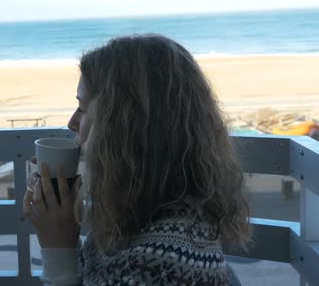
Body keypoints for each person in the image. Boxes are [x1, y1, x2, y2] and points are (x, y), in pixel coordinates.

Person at [23, 34, 250, 285]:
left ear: (122, 128)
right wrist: (66, 221)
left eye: (84, 108)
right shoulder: (146, 213)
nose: (72, 122)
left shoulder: (160, 262)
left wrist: (59, 249)